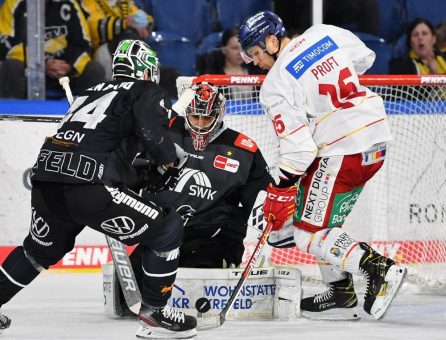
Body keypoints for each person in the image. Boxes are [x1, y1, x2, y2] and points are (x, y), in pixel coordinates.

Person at [0, 39, 197, 339]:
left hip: (47, 181)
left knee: (37, 251)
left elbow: (100, 146)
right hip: (89, 185)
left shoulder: (88, 92)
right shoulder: (145, 90)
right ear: (145, 71)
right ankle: (155, 312)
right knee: (167, 227)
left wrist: (135, 175)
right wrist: (169, 161)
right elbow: (151, 135)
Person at [237, 11, 407, 321]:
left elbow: (300, 148)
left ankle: (376, 267)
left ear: (273, 41)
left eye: (256, 52)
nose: (253, 61)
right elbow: (364, 58)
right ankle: (340, 290)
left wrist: (280, 188)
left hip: (343, 149)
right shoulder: (323, 33)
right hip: (376, 137)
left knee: (305, 232)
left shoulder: (275, 84)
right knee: (319, 217)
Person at [107, 81, 274, 315]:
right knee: (126, 300)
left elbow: (260, 201)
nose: (200, 124)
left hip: (213, 237)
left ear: (220, 114)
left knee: (199, 296)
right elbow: (131, 171)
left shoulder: (244, 150)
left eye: (207, 118)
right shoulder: (162, 136)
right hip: (162, 234)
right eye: (195, 116)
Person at [0, 0, 105, 99]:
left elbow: (84, 43)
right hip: (28, 72)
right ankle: (10, 115)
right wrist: (41, 64)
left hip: (63, 71)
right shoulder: (13, 4)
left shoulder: (69, 3)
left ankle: (88, 114)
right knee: (10, 66)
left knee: (94, 69)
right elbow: (4, 45)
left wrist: (68, 64)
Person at [81, 0, 180, 100]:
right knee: (128, 35)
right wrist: (126, 24)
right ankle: (138, 78)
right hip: (104, 54)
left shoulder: (124, 2)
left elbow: (146, 19)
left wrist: (142, 24)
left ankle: (146, 75)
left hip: (132, 51)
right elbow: (94, 29)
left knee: (172, 76)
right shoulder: (87, 3)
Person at [196, 27, 267, 99]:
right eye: (235, 48)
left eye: (243, 48)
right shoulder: (213, 78)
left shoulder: (257, 72)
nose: (240, 53)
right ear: (224, 50)